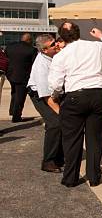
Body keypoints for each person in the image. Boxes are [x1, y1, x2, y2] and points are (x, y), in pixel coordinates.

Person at [48, 23, 102, 187]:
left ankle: (71, 178)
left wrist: (55, 95)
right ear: (78, 32)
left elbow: (55, 83)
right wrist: (101, 35)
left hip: (75, 96)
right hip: (98, 94)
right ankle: (94, 176)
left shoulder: (61, 55)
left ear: (62, 37)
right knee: (95, 138)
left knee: (72, 139)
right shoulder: (95, 46)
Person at [26, 34, 63, 172]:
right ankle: (48, 161)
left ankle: (59, 157)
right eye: (53, 45)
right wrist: (60, 112)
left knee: (61, 123)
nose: (57, 45)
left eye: (56, 42)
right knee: (55, 123)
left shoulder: (53, 56)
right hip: (40, 95)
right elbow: (46, 96)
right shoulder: (41, 65)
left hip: (52, 93)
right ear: (45, 50)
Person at [5, 33, 37, 122]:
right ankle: (16, 117)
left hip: (10, 74)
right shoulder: (32, 50)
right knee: (20, 96)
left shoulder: (10, 47)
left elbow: (6, 58)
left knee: (14, 93)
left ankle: (12, 111)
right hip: (23, 76)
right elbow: (34, 64)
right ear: (29, 40)